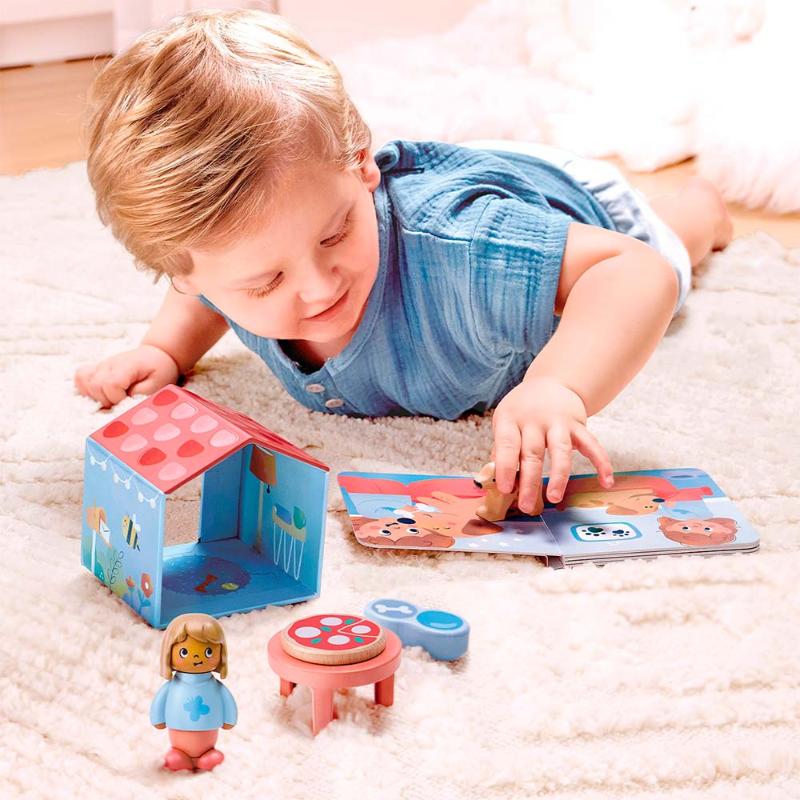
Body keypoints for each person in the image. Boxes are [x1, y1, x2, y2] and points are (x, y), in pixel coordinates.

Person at [74, 10, 733, 515]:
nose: (318, 286)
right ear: (184, 273)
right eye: (266, 282)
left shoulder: (468, 249)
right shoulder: (218, 263)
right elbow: (202, 294)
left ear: (361, 163)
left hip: (575, 209)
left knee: (671, 252)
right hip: (466, 186)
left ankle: (702, 209)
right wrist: (164, 349)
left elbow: (633, 270)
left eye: (335, 234)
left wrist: (558, 387)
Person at [150, 613, 237, 771]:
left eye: (208, 652)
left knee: (211, 755)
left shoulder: (216, 687)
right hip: (178, 731)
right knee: (175, 757)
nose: (197, 656)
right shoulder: (172, 687)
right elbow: (160, 700)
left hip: (208, 734)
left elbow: (227, 700)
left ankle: (208, 756)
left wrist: (229, 719)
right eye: (184, 652)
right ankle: (179, 755)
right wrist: (158, 719)